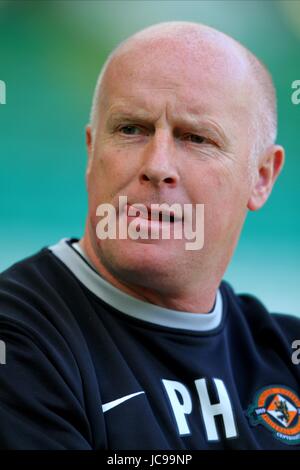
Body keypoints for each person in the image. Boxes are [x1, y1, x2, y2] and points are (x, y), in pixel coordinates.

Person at [0, 21, 299, 450]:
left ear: (262, 177)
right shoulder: (22, 341)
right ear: (91, 151)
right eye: (130, 130)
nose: (157, 165)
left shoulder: (283, 352)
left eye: (196, 138)